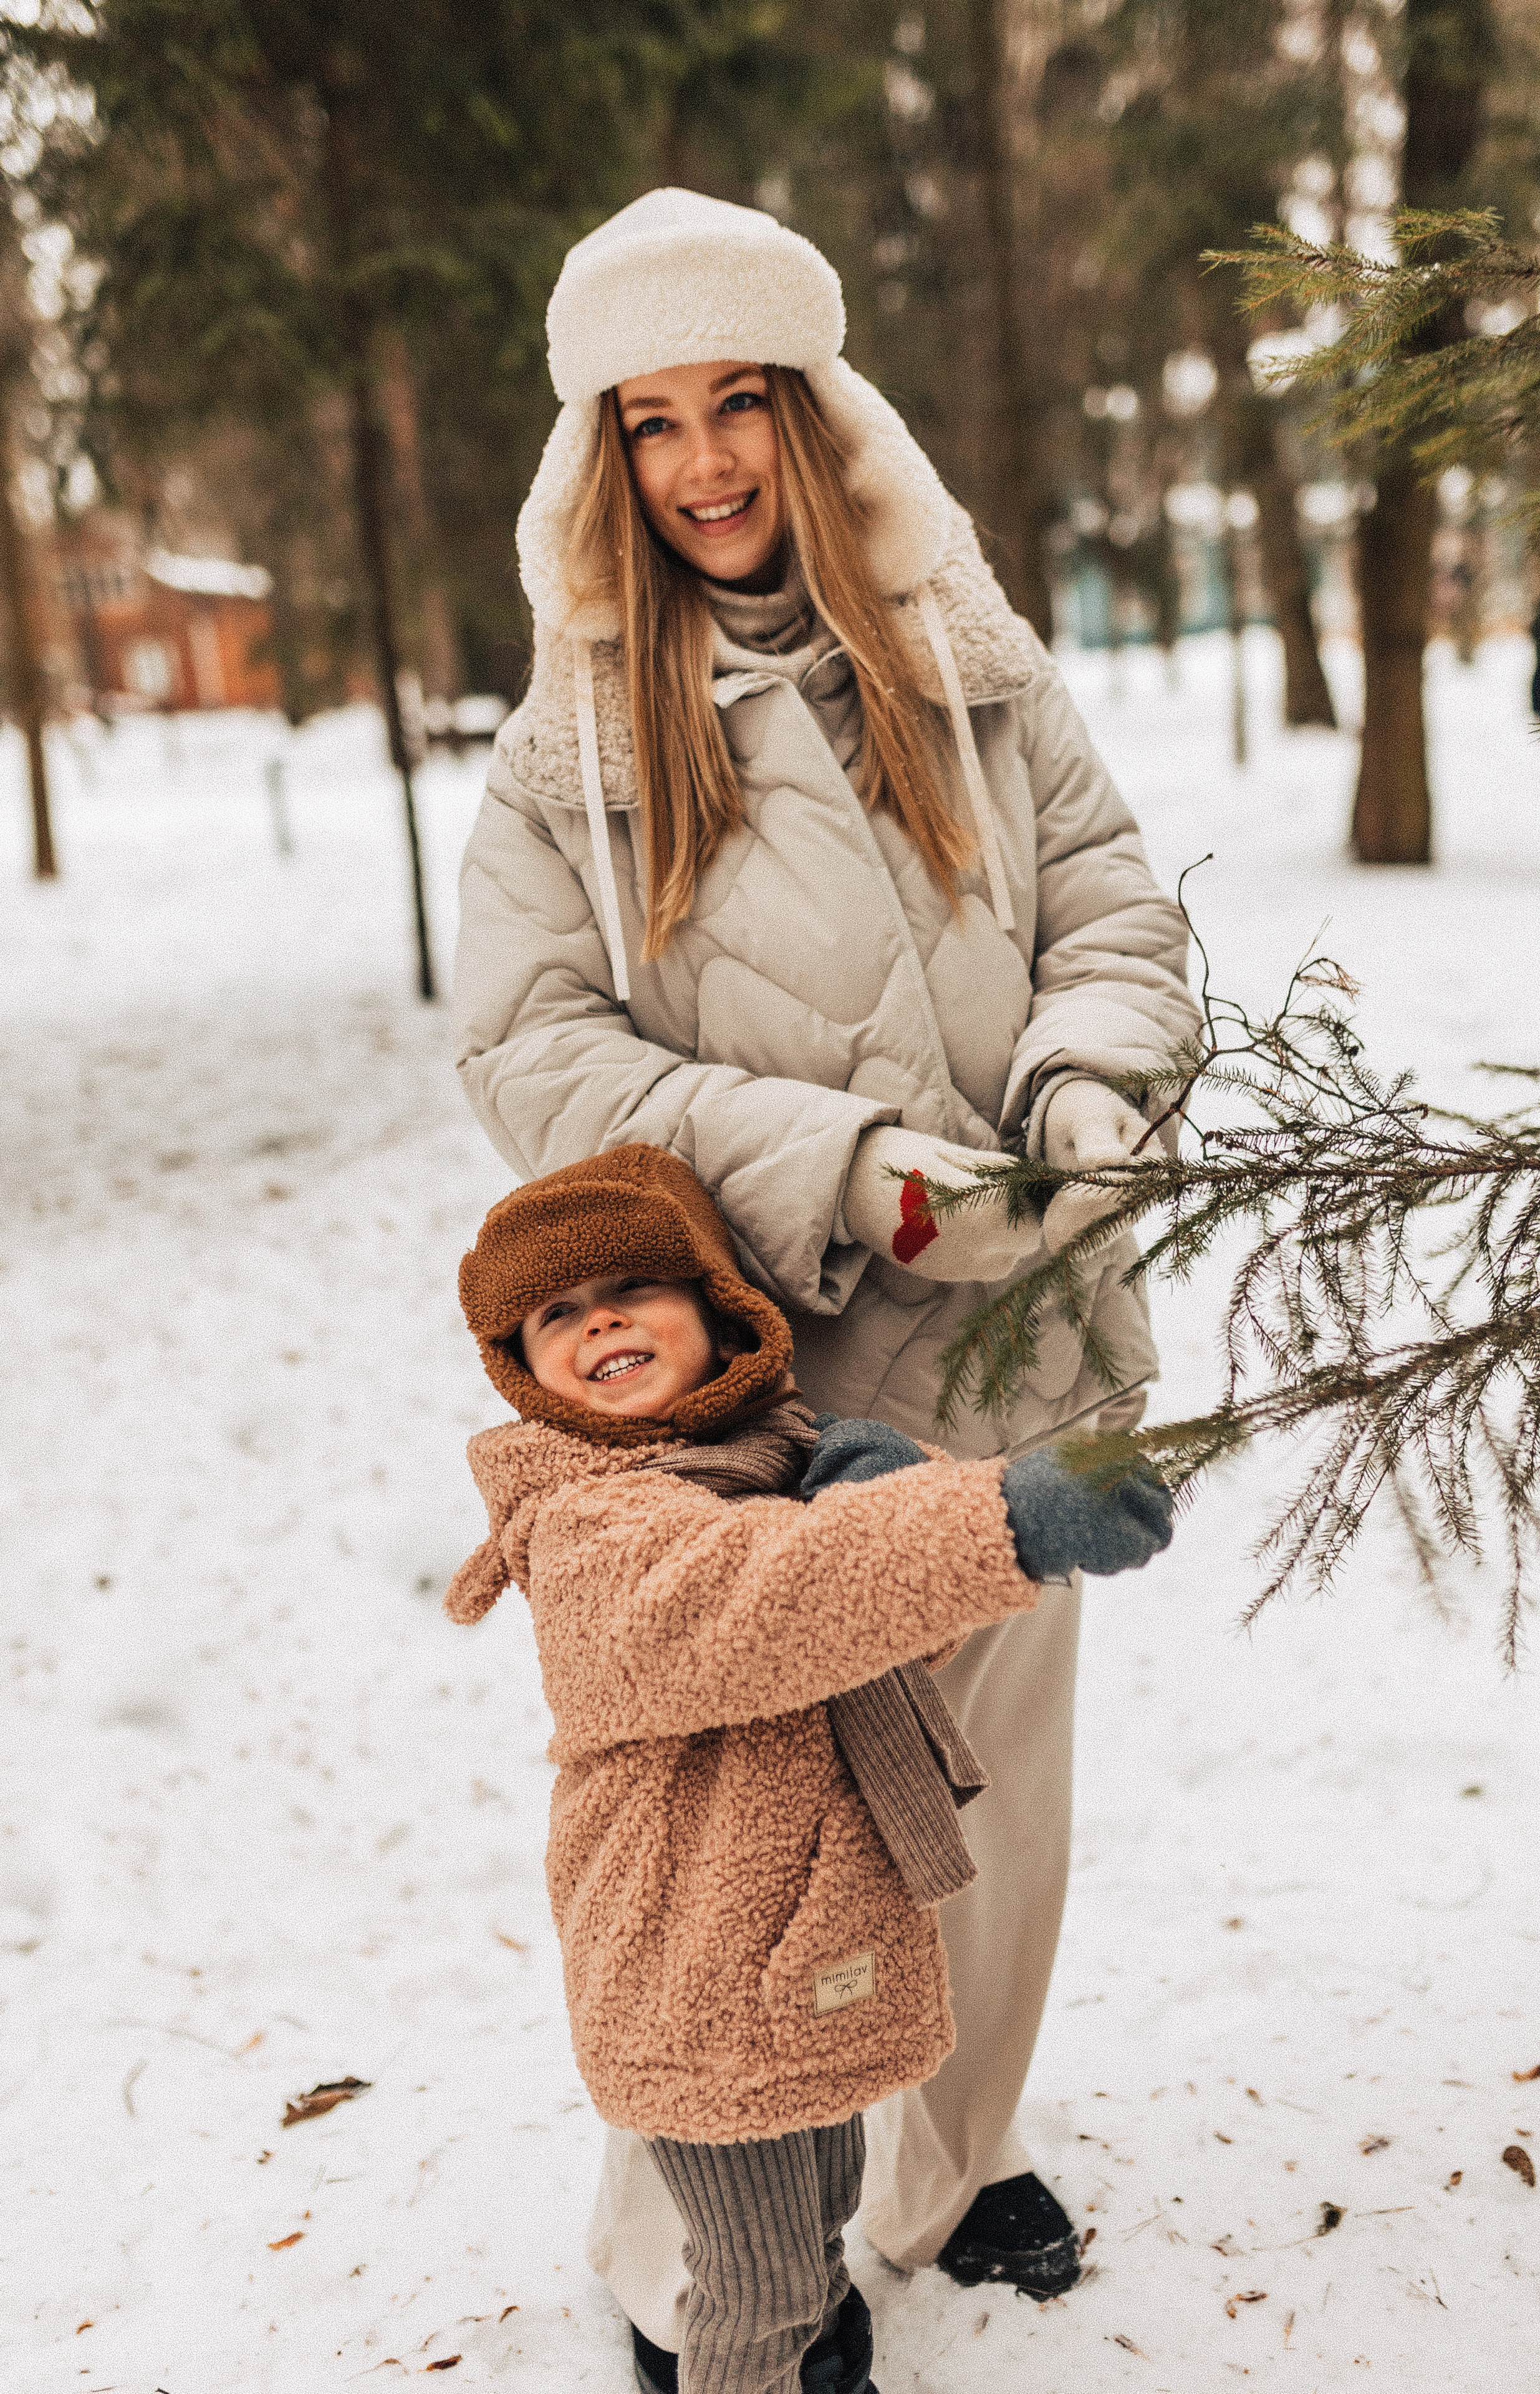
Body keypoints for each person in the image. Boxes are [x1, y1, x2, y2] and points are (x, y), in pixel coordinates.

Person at [451, 185, 1203, 2383]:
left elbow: (1115, 910)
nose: (700, 464)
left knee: (1003, 1794)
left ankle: (954, 2160)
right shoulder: (568, 759)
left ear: (820, 418)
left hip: (1026, 1329)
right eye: (651, 420)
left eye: (739, 408)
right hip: (762, 1398)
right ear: (602, 455)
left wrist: (1081, 1096)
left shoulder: (969, 671)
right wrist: (845, 1169)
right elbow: (534, 1054)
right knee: (747, 1845)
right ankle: (701, 2268)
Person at [445, 1145, 1175, 2394]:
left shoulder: (774, 1449)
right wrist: (992, 1520)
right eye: (555, 1313)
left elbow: (873, 1638)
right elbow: (763, 1600)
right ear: (523, 1370)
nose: (601, 1319)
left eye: (634, 1286)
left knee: (815, 2216)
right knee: (761, 2282)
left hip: (793, 1948)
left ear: (724, 1311)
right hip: (696, 1978)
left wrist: (873, 1487)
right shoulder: (589, 1528)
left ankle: (823, 2370)